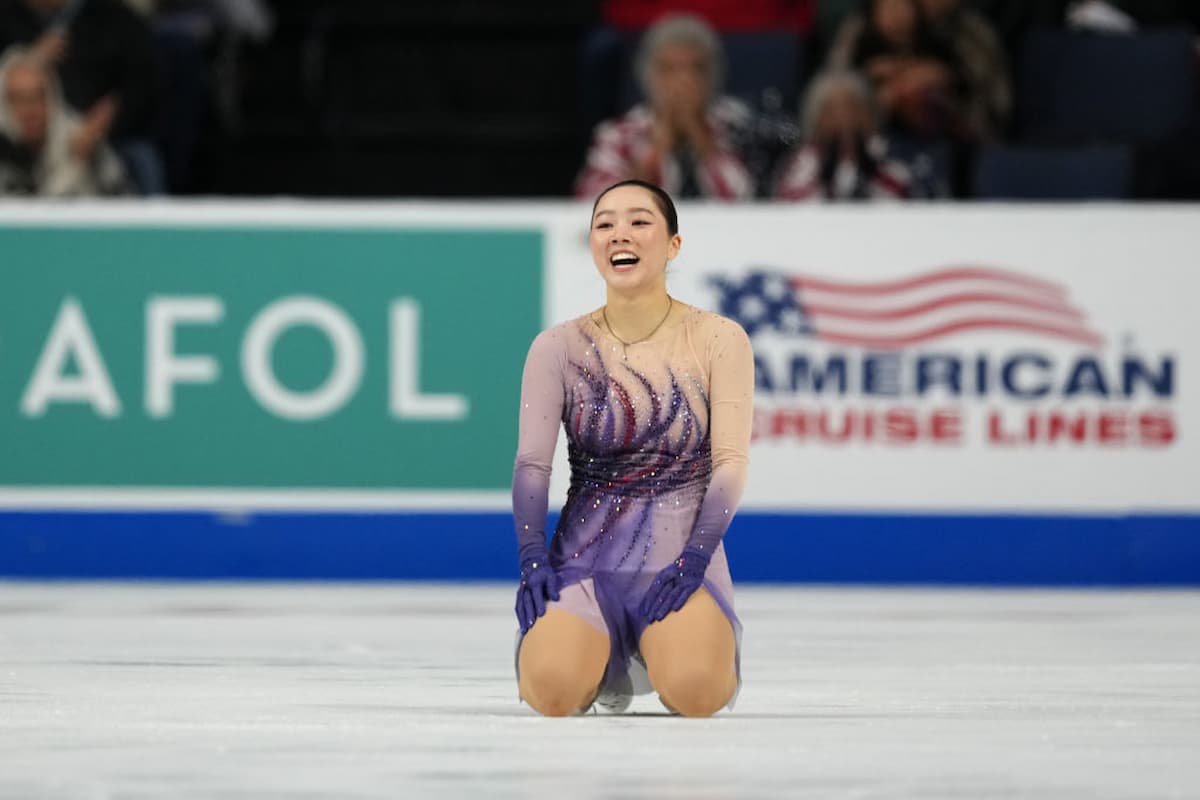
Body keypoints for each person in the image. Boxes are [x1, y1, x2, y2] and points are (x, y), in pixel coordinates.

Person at [513, 179, 753, 717]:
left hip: (680, 567)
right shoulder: (557, 348)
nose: (621, 233)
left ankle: (674, 638)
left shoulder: (717, 339)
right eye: (605, 223)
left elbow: (731, 464)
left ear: (673, 245)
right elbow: (532, 466)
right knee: (551, 693)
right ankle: (584, 651)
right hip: (582, 564)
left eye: (640, 221)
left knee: (697, 694)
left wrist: (695, 559)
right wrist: (532, 561)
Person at [575, 15, 756, 200]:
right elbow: (594, 203)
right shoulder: (618, 135)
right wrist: (657, 147)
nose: (683, 82)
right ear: (647, 75)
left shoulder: (738, 125)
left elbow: (752, 204)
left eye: (696, 69)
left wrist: (698, 132)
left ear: (714, 75)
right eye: (668, 69)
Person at [0, 46, 129, 195]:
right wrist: (76, 162)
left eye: (39, 96)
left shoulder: (80, 135)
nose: (30, 111)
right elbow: (32, 214)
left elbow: (123, 198)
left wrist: (90, 158)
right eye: (18, 100)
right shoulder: (3, 148)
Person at [774, 70, 919, 201]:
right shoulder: (803, 159)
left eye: (851, 107)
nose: (844, 118)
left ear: (868, 114)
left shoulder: (890, 152)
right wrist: (828, 174)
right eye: (832, 111)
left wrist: (866, 165)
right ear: (816, 119)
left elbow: (905, 198)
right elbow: (789, 204)